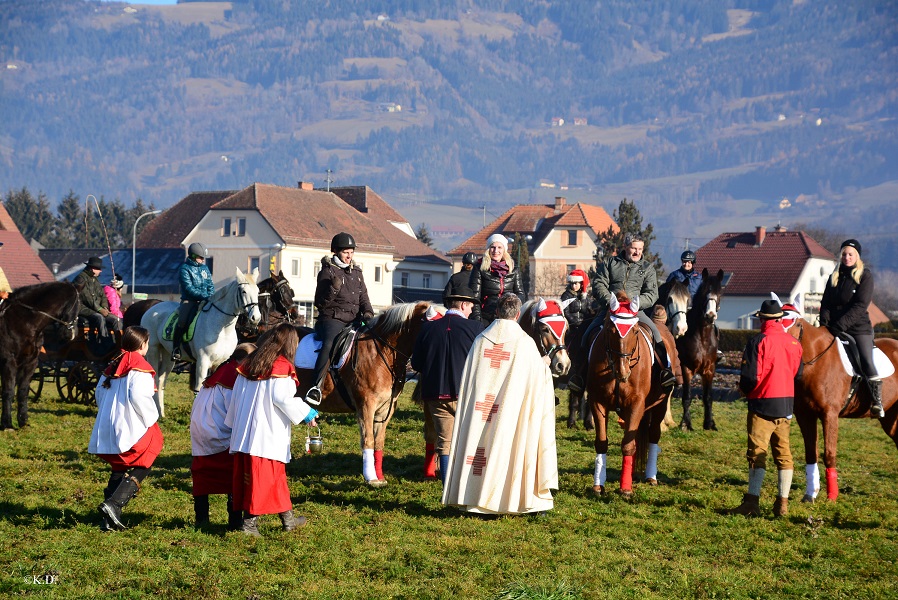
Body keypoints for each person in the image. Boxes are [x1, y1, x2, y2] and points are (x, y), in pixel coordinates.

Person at [442, 293, 558, 515]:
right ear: (517, 315)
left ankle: (473, 497)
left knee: (479, 448)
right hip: (510, 414)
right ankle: (513, 501)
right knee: (512, 449)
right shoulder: (525, 344)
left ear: (496, 312)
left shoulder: (480, 341)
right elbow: (536, 382)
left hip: (481, 413)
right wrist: (544, 366)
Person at [225, 323, 319, 537]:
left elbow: (236, 397)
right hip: (266, 435)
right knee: (262, 481)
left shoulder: (249, 364)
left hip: (245, 434)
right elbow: (282, 398)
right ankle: (248, 525)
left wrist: (234, 425)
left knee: (275, 479)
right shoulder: (281, 366)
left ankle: (289, 520)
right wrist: (306, 413)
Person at [725, 300, 803, 518]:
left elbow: (749, 377)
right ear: (779, 319)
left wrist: (744, 390)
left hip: (762, 403)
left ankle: (752, 501)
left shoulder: (757, 341)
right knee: (784, 454)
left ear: (761, 319)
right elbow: (799, 375)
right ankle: (782, 504)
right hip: (786, 404)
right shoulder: (794, 343)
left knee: (757, 453)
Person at [89, 326, 163, 531]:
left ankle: (109, 520)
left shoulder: (113, 364)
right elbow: (139, 396)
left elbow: (98, 394)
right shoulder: (140, 365)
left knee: (119, 466)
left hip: (109, 424)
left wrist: (107, 413)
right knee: (150, 451)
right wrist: (151, 418)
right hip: (130, 423)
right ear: (143, 344)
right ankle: (114, 504)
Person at [411, 284, 485, 485]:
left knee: (445, 443)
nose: (471, 311)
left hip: (435, 394)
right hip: (466, 395)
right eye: (470, 306)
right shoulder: (476, 328)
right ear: (463, 305)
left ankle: (447, 488)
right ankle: (466, 486)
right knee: (469, 442)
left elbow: (416, 364)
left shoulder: (427, 328)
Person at [586, 234, 677, 388]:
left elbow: (652, 293)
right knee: (587, 333)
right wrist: (611, 302)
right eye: (634, 248)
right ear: (625, 247)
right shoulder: (610, 262)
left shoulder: (647, 268)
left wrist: (637, 303)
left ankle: (665, 372)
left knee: (656, 333)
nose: (637, 252)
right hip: (610, 310)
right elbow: (599, 284)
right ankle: (579, 374)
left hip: (635, 312)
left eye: (640, 249)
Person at [190, 342, 256, 530]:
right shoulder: (236, 377)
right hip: (219, 434)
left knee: (202, 475)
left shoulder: (221, 372)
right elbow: (236, 413)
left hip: (200, 431)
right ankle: (234, 521)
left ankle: (201, 519)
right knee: (234, 474)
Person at [306, 232, 374, 405]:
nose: (349, 256)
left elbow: (363, 297)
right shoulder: (327, 272)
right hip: (331, 320)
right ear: (336, 252)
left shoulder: (357, 272)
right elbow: (319, 303)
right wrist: (333, 289)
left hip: (354, 320)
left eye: (351, 252)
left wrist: (368, 313)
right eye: (346, 252)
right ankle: (315, 387)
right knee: (330, 343)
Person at [819, 239, 882, 418]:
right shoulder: (834, 275)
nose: (847, 257)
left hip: (858, 328)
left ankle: (877, 401)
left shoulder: (865, 276)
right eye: (844, 254)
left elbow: (860, 306)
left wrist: (840, 325)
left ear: (857, 257)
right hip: (833, 327)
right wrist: (824, 322)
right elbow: (825, 302)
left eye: (850, 254)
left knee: (866, 359)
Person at [469, 234, 525, 326]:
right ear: (488, 249)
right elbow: (474, 298)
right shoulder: (479, 268)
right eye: (493, 247)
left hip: (508, 318)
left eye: (499, 247)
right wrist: (478, 321)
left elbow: (521, 294)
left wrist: (511, 303)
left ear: (504, 250)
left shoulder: (513, 270)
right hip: (486, 318)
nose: (496, 251)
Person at [172, 243, 215, 361]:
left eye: (203, 258)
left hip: (206, 299)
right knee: (182, 321)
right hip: (189, 301)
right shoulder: (184, 269)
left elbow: (210, 285)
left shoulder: (205, 268)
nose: (203, 260)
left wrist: (211, 295)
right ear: (193, 256)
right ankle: (176, 348)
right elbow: (189, 288)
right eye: (201, 257)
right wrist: (204, 296)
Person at [74, 256, 118, 343]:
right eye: (99, 269)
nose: (100, 271)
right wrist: (100, 309)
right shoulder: (80, 279)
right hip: (83, 308)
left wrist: (105, 307)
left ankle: (118, 342)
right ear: (92, 269)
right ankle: (105, 343)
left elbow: (103, 296)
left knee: (116, 320)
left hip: (98, 309)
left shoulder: (95, 280)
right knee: (99, 318)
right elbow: (87, 299)